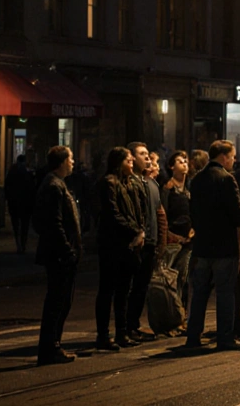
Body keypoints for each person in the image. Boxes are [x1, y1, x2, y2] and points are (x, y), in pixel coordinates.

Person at [184, 140, 240, 351]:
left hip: (202, 246)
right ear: (224, 157)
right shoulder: (227, 180)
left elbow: (192, 211)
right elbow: (238, 214)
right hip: (223, 247)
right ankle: (225, 338)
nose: (234, 160)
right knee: (225, 294)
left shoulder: (198, 180)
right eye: (233, 156)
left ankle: (193, 337)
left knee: (199, 294)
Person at [33, 145, 80, 365]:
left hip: (60, 253)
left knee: (61, 301)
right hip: (59, 255)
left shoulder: (57, 184)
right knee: (57, 301)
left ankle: (53, 345)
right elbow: (54, 223)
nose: (73, 162)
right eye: (70, 158)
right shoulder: (54, 186)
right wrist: (67, 250)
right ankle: (50, 347)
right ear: (61, 162)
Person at [95, 147, 145, 351]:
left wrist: (139, 231)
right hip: (113, 244)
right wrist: (135, 230)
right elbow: (113, 214)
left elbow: (136, 209)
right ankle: (104, 335)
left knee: (124, 290)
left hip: (127, 245)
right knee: (108, 290)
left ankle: (121, 332)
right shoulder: (109, 183)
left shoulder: (128, 183)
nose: (132, 164)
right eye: (129, 161)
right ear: (119, 162)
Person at [125, 143, 166, 343]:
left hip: (149, 242)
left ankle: (133, 325)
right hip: (137, 242)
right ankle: (125, 327)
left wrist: (158, 241)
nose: (148, 159)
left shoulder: (149, 184)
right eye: (142, 155)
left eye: (147, 155)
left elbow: (157, 213)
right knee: (130, 287)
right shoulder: (130, 183)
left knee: (141, 286)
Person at [159, 150, 193, 322]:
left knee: (184, 278)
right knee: (172, 277)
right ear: (172, 166)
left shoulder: (189, 188)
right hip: (173, 238)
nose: (184, 164)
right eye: (180, 161)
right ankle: (173, 315)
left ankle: (182, 314)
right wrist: (169, 235)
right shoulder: (168, 189)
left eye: (185, 161)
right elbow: (163, 213)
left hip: (189, 238)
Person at [5, 155, 37, 255]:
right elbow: (32, 188)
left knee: (16, 224)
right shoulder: (28, 173)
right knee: (24, 225)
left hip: (14, 202)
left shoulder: (12, 172)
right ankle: (22, 244)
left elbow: (7, 187)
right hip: (25, 202)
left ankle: (19, 243)